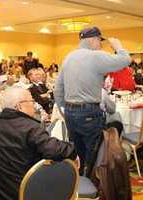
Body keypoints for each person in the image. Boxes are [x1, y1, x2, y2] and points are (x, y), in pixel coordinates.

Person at [0, 86, 78, 200]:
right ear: (19, 106)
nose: (34, 104)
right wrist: (73, 149)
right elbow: (54, 150)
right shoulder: (30, 127)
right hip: (27, 195)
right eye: (32, 101)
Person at [54, 26, 131, 176]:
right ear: (92, 40)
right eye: (99, 41)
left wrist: (66, 109)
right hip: (89, 112)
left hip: (71, 111)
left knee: (78, 151)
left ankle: (79, 184)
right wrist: (118, 47)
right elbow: (126, 60)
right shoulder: (96, 56)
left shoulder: (68, 57)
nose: (100, 45)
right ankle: (91, 187)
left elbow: (58, 90)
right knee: (94, 154)